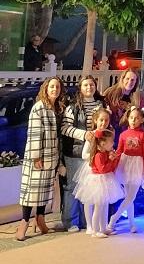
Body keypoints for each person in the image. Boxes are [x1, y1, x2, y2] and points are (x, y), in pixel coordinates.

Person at [16, 77, 67, 241]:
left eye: (57, 87)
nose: (55, 89)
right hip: (38, 157)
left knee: (44, 191)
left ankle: (40, 219)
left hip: (52, 157)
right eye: (52, 86)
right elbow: (35, 133)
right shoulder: (39, 108)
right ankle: (24, 222)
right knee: (31, 191)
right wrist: (36, 156)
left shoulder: (57, 108)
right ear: (46, 88)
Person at [60, 75, 105, 232]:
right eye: (85, 85)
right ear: (80, 87)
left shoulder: (101, 104)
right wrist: (83, 134)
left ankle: (87, 221)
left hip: (94, 153)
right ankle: (70, 221)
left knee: (89, 187)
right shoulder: (73, 106)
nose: (89, 87)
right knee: (73, 186)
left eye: (91, 84)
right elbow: (64, 128)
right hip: (75, 152)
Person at [107, 106, 144, 234]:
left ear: (142, 120)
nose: (133, 120)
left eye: (137, 118)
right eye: (131, 118)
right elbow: (120, 151)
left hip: (137, 165)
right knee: (129, 197)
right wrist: (114, 163)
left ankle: (113, 219)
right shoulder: (123, 134)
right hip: (125, 164)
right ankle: (132, 224)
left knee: (131, 196)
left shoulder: (143, 135)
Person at [74, 128, 123, 238]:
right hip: (98, 182)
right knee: (98, 207)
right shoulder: (98, 155)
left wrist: (114, 159)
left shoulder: (105, 153)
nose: (113, 143)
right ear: (103, 143)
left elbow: (111, 169)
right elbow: (103, 169)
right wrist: (110, 160)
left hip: (105, 179)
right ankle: (95, 230)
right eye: (111, 141)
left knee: (104, 206)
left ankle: (103, 228)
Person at [74, 107, 112, 235]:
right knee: (90, 198)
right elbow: (84, 154)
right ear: (96, 120)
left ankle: (104, 226)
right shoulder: (92, 135)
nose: (103, 123)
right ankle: (90, 226)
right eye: (101, 120)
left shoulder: (108, 133)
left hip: (104, 171)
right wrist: (96, 155)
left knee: (104, 199)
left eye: (106, 120)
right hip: (92, 170)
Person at [103, 69, 144, 143]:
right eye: (127, 79)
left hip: (126, 133)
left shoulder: (137, 98)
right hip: (110, 131)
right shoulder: (110, 92)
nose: (129, 82)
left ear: (136, 82)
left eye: (132, 80)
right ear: (122, 79)